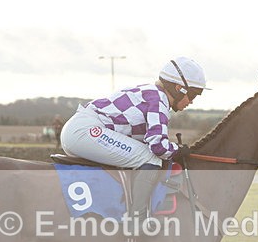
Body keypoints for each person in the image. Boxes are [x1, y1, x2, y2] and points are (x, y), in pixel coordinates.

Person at [60, 56, 207, 221]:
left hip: (80, 129)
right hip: (85, 131)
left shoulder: (152, 94)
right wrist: (178, 150)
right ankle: (137, 219)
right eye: (193, 94)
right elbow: (158, 147)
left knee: (142, 155)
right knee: (150, 158)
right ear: (179, 88)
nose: (192, 102)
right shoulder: (158, 100)